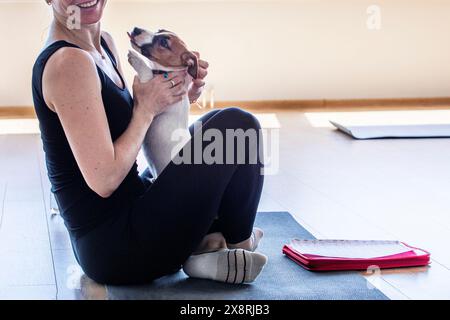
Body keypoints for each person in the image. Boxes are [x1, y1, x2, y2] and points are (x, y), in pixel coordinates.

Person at [32, 0, 267, 285]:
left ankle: (203, 253)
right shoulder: (69, 63)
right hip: (115, 246)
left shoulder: (102, 44)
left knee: (214, 125)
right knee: (238, 127)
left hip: (133, 207)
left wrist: (178, 97)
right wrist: (146, 109)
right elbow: (104, 180)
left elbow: (129, 129)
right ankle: (237, 244)